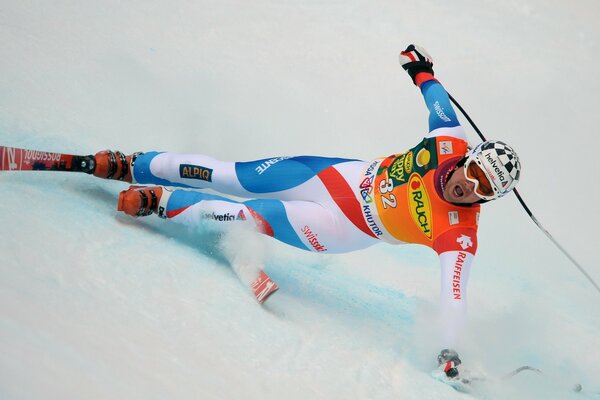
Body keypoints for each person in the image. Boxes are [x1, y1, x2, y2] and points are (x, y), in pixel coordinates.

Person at [91, 44, 521, 379]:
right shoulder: (449, 138)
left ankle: (161, 202)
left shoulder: (459, 233)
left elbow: (454, 295)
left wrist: (449, 349)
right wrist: (420, 67)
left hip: (340, 227)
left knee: (253, 214)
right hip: (337, 177)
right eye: (476, 172)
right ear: (470, 157)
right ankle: (135, 163)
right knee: (232, 176)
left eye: (484, 189)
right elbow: (435, 95)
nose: (471, 186)